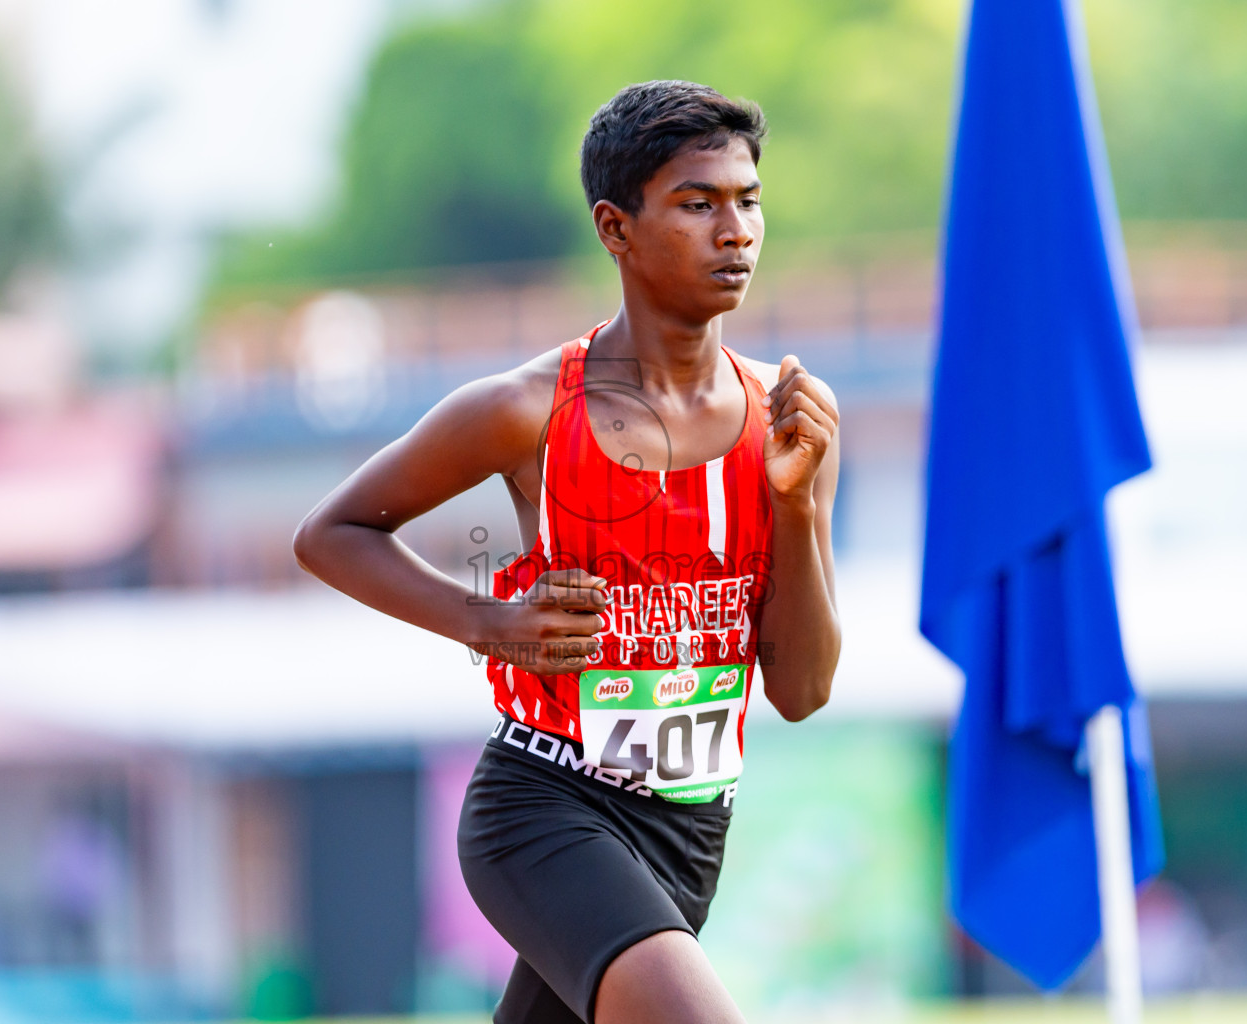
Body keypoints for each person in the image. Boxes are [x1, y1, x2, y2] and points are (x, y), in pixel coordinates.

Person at [294, 79, 841, 1024]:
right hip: (545, 808)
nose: (737, 230)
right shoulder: (527, 410)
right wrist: (489, 623)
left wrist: (795, 509)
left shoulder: (787, 422)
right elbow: (330, 534)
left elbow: (799, 691)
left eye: (749, 200)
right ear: (615, 228)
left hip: (688, 830)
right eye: (698, 204)